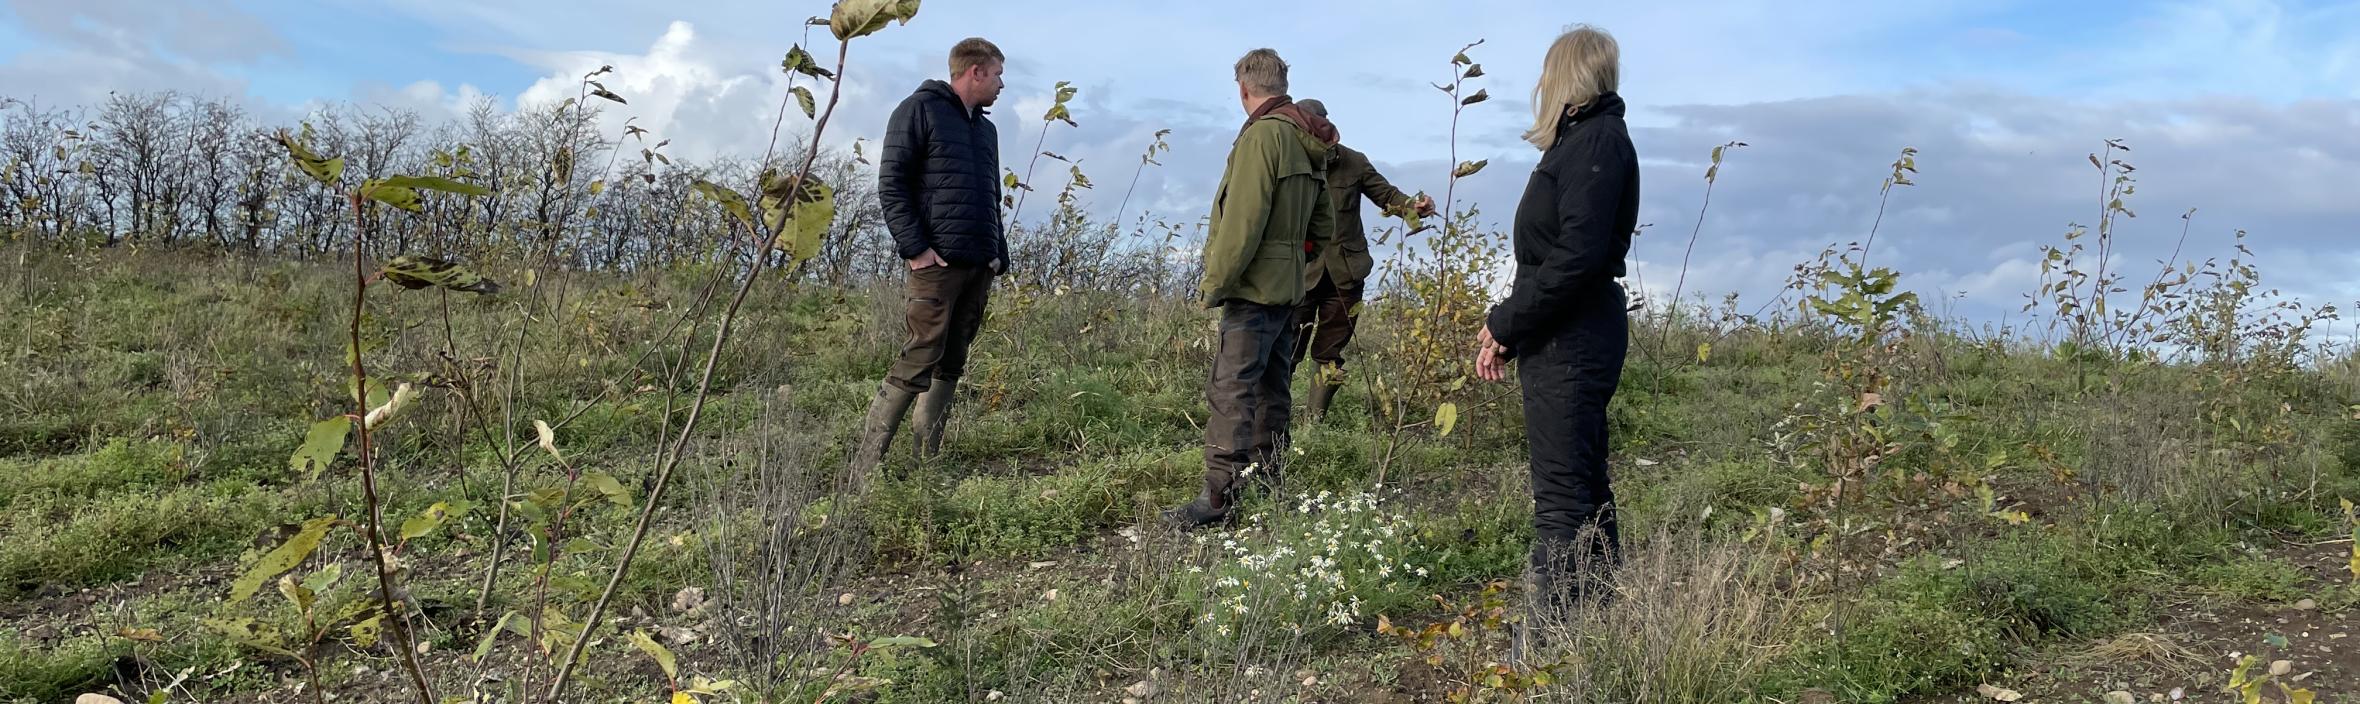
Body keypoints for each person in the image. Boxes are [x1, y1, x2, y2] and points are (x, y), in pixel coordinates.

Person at [1473, 25, 1639, 618]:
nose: (1540, 84)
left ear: (1567, 78)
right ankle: (1596, 621)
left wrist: (1506, 323)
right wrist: (1515, 330)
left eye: (1548, 72)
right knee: (1584, 481)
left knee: (1564, 495)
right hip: (1566, 332)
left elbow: (1577, 258)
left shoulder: (1595, 144)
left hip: (1573, 338)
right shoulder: (1584, 142)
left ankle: (1554, 638)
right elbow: (1564, 263)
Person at [1165, 48, 1339, 529]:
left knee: (1231, 388)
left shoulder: (1262, 137)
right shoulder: (1308, 137)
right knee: (1273, 386)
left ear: (1244, 88)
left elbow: (1241, 222)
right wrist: (1294, 261)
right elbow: (1323, 222)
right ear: (1282, 82)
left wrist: (1214, 284)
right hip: (1288, 286)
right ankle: (1269, 481)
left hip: (1253, 287)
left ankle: (1217, 498)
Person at [848, 37, 1009, 489]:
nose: (1001, 84)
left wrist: (999, 253)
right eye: (997, 73)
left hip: (979, 264)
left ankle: (926, 467)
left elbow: (990, 196)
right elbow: (891, 184)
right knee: (921, 353)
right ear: (974, 71)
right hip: (934, 264)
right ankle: (864, 474)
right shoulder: (918, 110)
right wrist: (916, 248)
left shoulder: (986, 129)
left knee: (953, 358)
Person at [1285, 99, 1435, 422]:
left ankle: (1315, 425)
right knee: (1285, 349)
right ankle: (1274, 420)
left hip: (1345, 274)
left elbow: (1387, 195)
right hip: (1299, 271)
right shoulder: (1288, 160)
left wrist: (1414, 206)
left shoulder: (1354, 162)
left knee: (1330, 353)